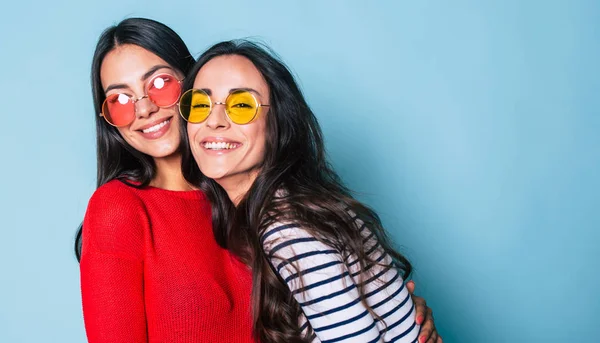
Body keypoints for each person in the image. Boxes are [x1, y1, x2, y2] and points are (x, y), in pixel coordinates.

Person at [181, 40, 442, 343]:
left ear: (277, 123)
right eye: (200, 104)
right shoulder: (285, 205)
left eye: (241, 106)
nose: (214, 121)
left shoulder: (287, 227)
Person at [76, 18, 255, 343]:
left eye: (159, 83)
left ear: (193, 82)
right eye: (120, 99)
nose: (143, 109)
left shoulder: (246, 189)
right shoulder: (117, 209)